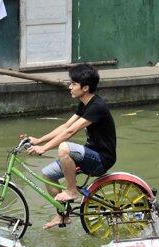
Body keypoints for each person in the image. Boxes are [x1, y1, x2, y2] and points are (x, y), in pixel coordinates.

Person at [22, 64, 116, 230]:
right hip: (89, 154)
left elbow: (71, 132)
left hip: (101, 159)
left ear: (85, 87)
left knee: (64, 147)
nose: (69, 87)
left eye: (73, 84)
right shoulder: (85, 103)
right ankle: (63, 216)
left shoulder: (97, 107)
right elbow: (66, 126)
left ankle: (72, 191)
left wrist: (44, 149)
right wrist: (39, 141)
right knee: (47, 174)